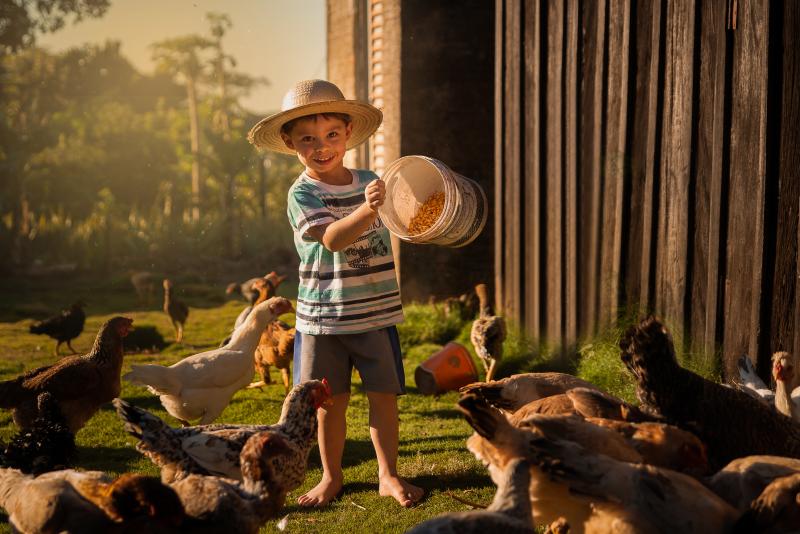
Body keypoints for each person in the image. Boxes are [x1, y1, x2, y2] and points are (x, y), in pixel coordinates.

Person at [248, 79, 424, 508]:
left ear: (348, 133)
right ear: (291, 144)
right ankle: (331, 478)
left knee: (383, 397)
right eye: (308, 139)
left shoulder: (371, 181)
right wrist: (370, 207)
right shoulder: (303, 192)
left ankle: (388, 475)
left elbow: (404, 219)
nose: (321, 146)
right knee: (330, 404)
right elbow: (332, 240)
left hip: (376, 313)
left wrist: (417, 206)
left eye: (331, 135)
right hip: (324, 319)